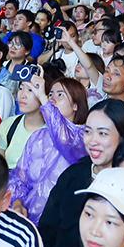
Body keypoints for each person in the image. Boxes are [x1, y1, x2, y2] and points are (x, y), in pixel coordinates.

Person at [39, 99, 124, 247]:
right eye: (88, 131)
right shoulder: (72, 175)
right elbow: (47, 230)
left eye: (103, 133)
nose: (92, 141)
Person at [7, 73, 87, 223]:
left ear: (75, 105)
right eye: (50, 94)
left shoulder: (82, 136)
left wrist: (43, 98)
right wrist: (17, 203)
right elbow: (20, 176)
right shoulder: (38, 136)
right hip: (28, 220)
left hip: (59, 224)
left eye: (60, 95)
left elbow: (65, 140)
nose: (52, 98)